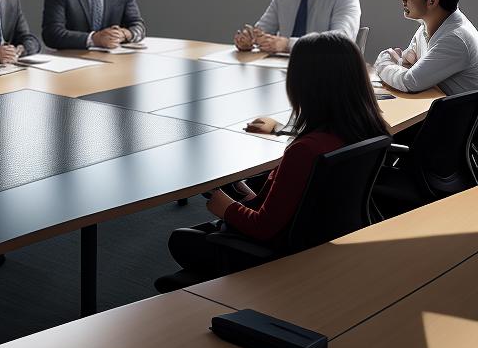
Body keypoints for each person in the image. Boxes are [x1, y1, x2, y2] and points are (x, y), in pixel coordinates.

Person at [155, 32, 389, 291]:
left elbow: (264, 227)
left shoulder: (305, 150)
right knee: (205, 229)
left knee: (181, 240)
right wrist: (246, 195)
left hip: (280, 251)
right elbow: (302, 197)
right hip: (321, 237)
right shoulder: (371, 130)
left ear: (306, 84)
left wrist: (226, 207)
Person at [373, 0, 478, 95]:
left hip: (453, 115)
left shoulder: (455, 39)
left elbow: (409, 81)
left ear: (432, 0)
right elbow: (406, 62)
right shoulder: (428, 26)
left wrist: (384, 62)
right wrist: (401, 65)